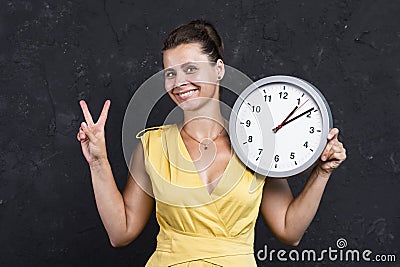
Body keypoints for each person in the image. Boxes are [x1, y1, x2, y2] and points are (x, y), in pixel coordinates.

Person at [77, 20, 346, 266]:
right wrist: (98, 161)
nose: (179, 82)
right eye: (170, 73)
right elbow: (120, 232)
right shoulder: (152, 145)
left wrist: (322, 172)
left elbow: (289, 230)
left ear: (218, 69)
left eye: (191, 69)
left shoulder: (259, 144)